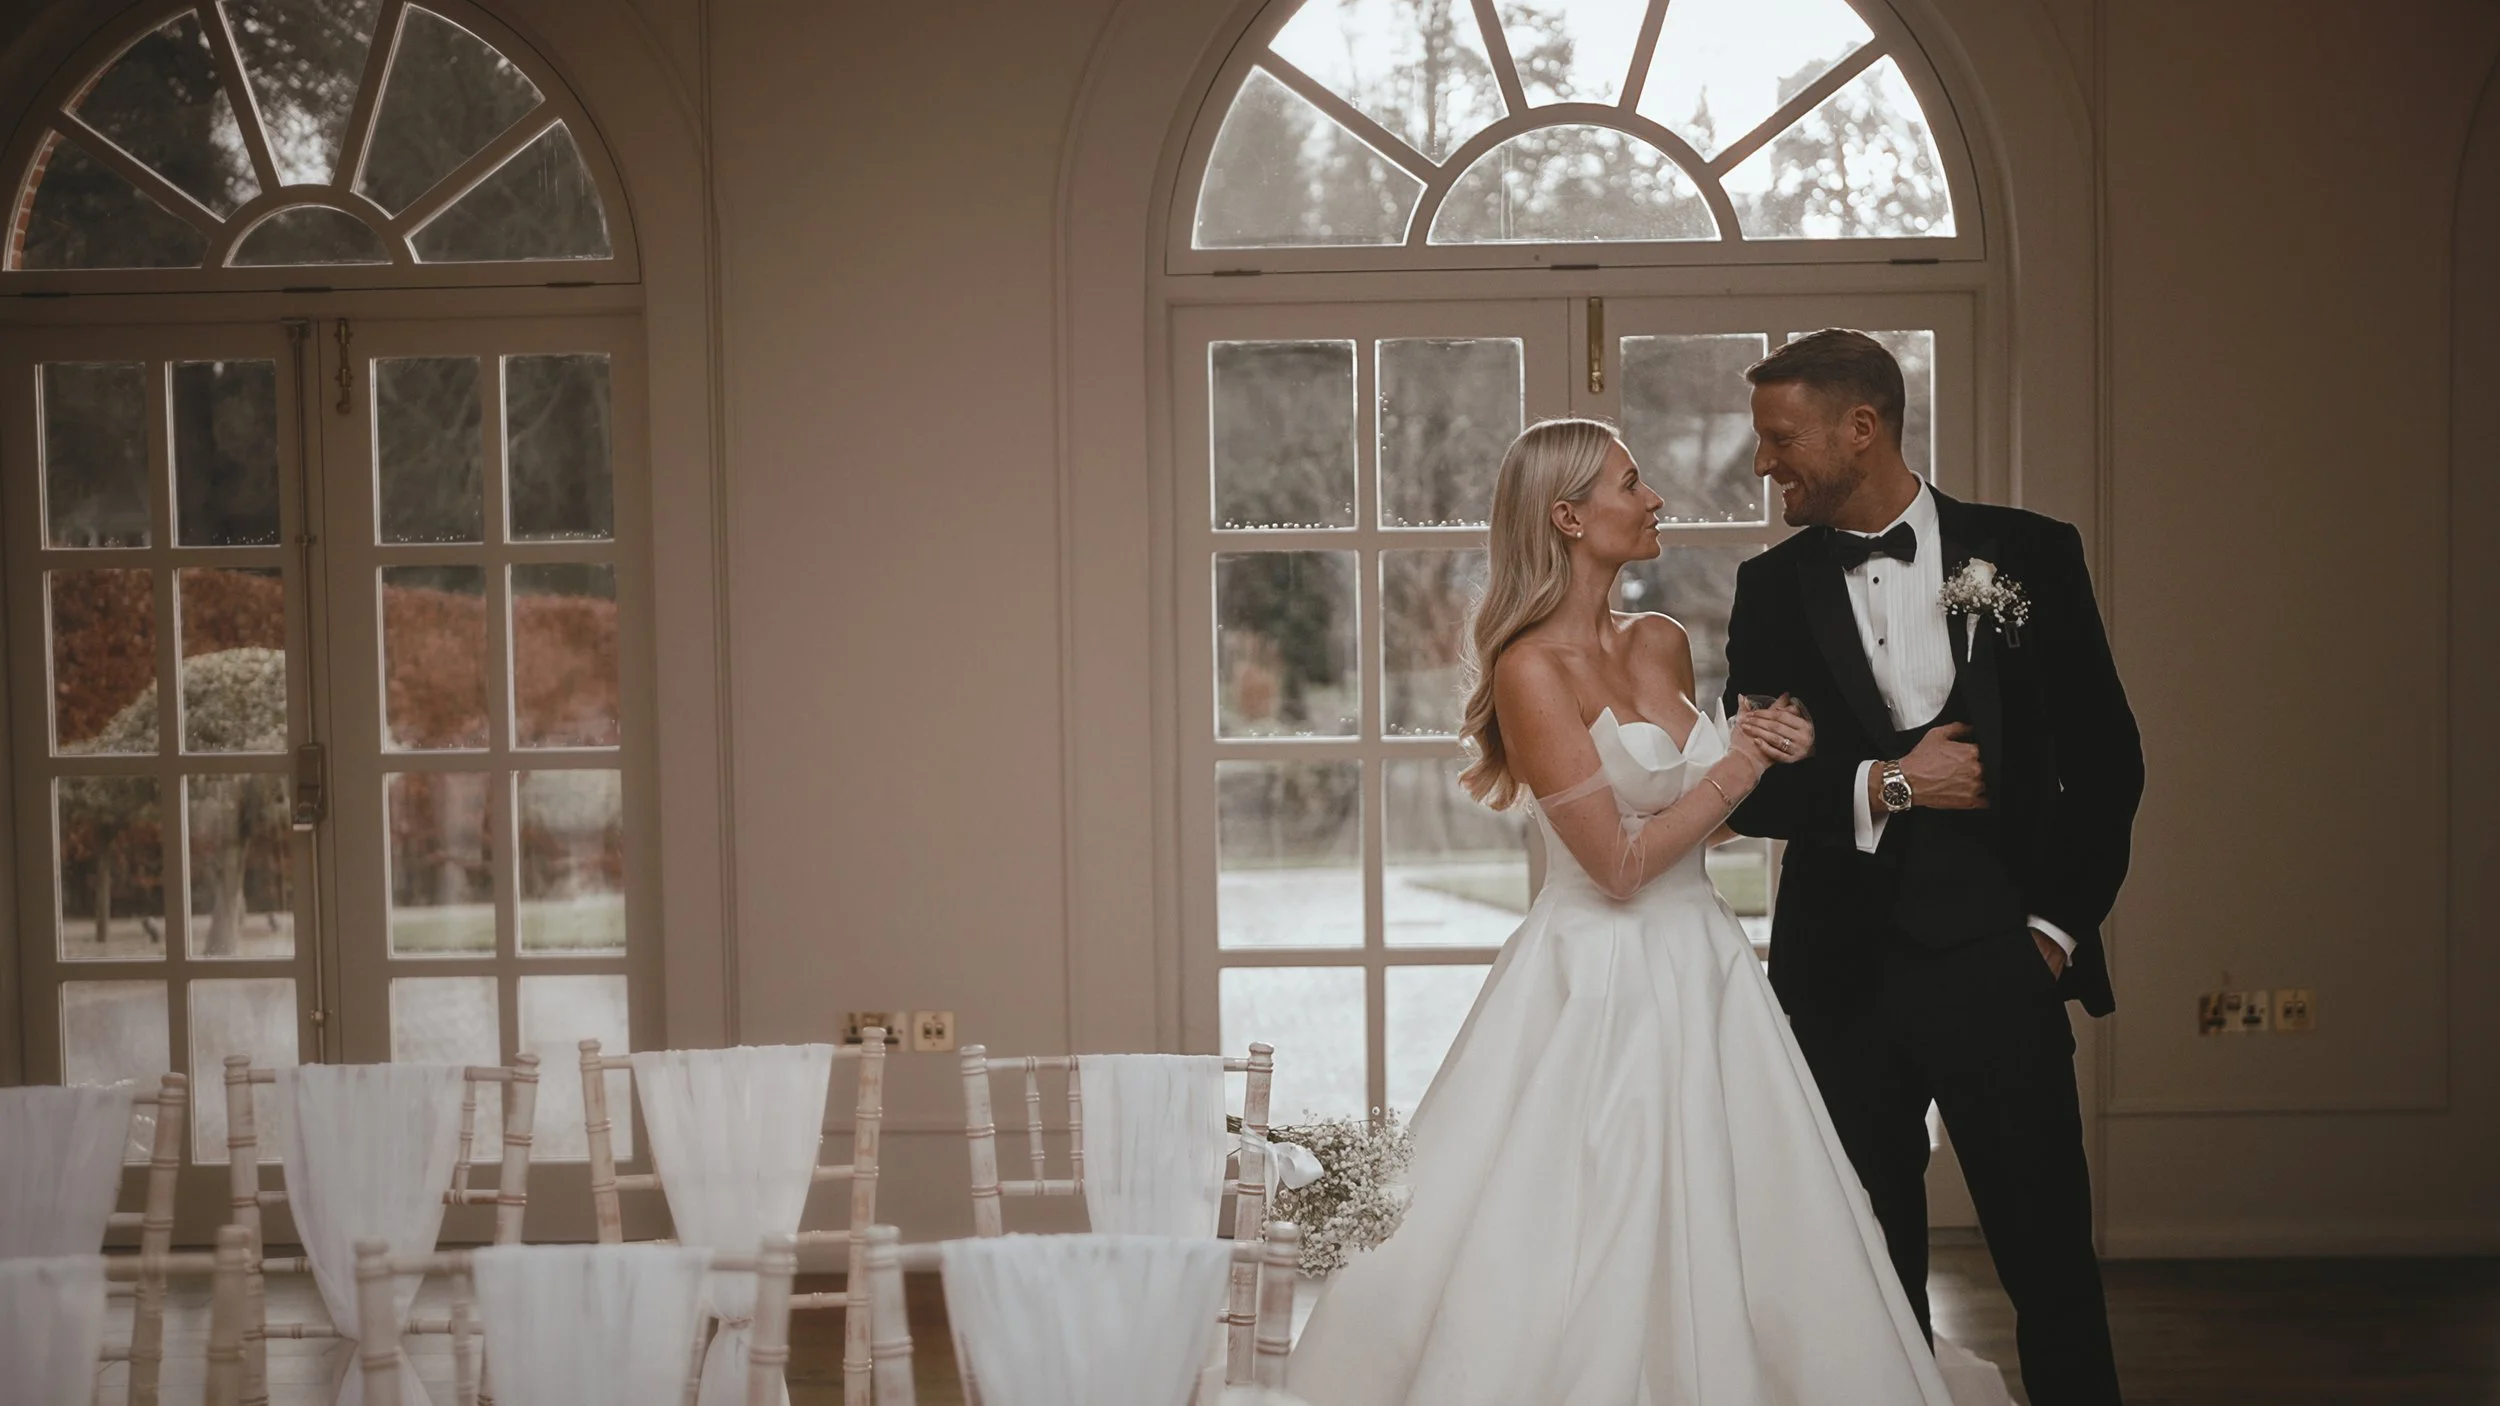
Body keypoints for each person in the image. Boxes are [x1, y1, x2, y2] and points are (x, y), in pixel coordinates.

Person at [1287, 417, 1971, 1406]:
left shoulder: (1661, 640)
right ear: (1566, 517)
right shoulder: (1529, 670)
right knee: (1580, 1220)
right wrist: (1741, 760)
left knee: (1748, 1216)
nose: (1654, 499)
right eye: (1629, 482)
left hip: (1704, 961)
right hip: (1593, 977)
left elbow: (1692, 827)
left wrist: (1761, 761)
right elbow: (1614, 863)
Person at [1722, 330, 2141, 1406]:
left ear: (1861, 428)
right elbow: (1755, 789)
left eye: (1779, 440)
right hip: (1837, 976)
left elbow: (2105, 762)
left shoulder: (2030, 553)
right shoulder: (1767, 589)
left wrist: (2051, 930)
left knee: (2049, 1257)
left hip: (1999, 961)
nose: (1763, 464)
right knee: (1865, 1269)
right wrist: (1889, 782)